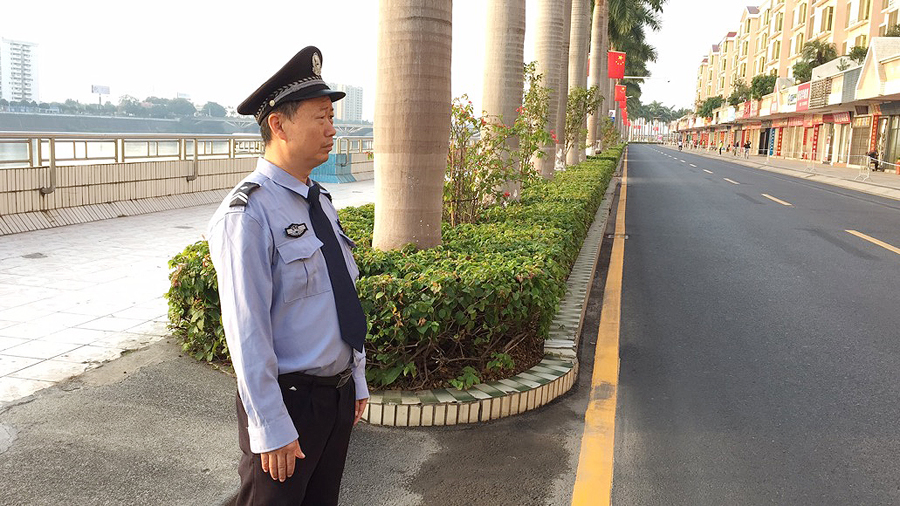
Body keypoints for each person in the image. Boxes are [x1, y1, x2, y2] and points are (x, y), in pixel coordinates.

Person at [207, 46, 368, 506]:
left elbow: (340, 296)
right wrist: (271, 425)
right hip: (289, 404)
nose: (332, 128)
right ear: (278, 125)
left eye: (332, 117)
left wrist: (355, 378)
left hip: (334, 399)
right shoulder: (248, 214)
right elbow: (247, 332)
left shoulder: (319, 202)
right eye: (321, 117)